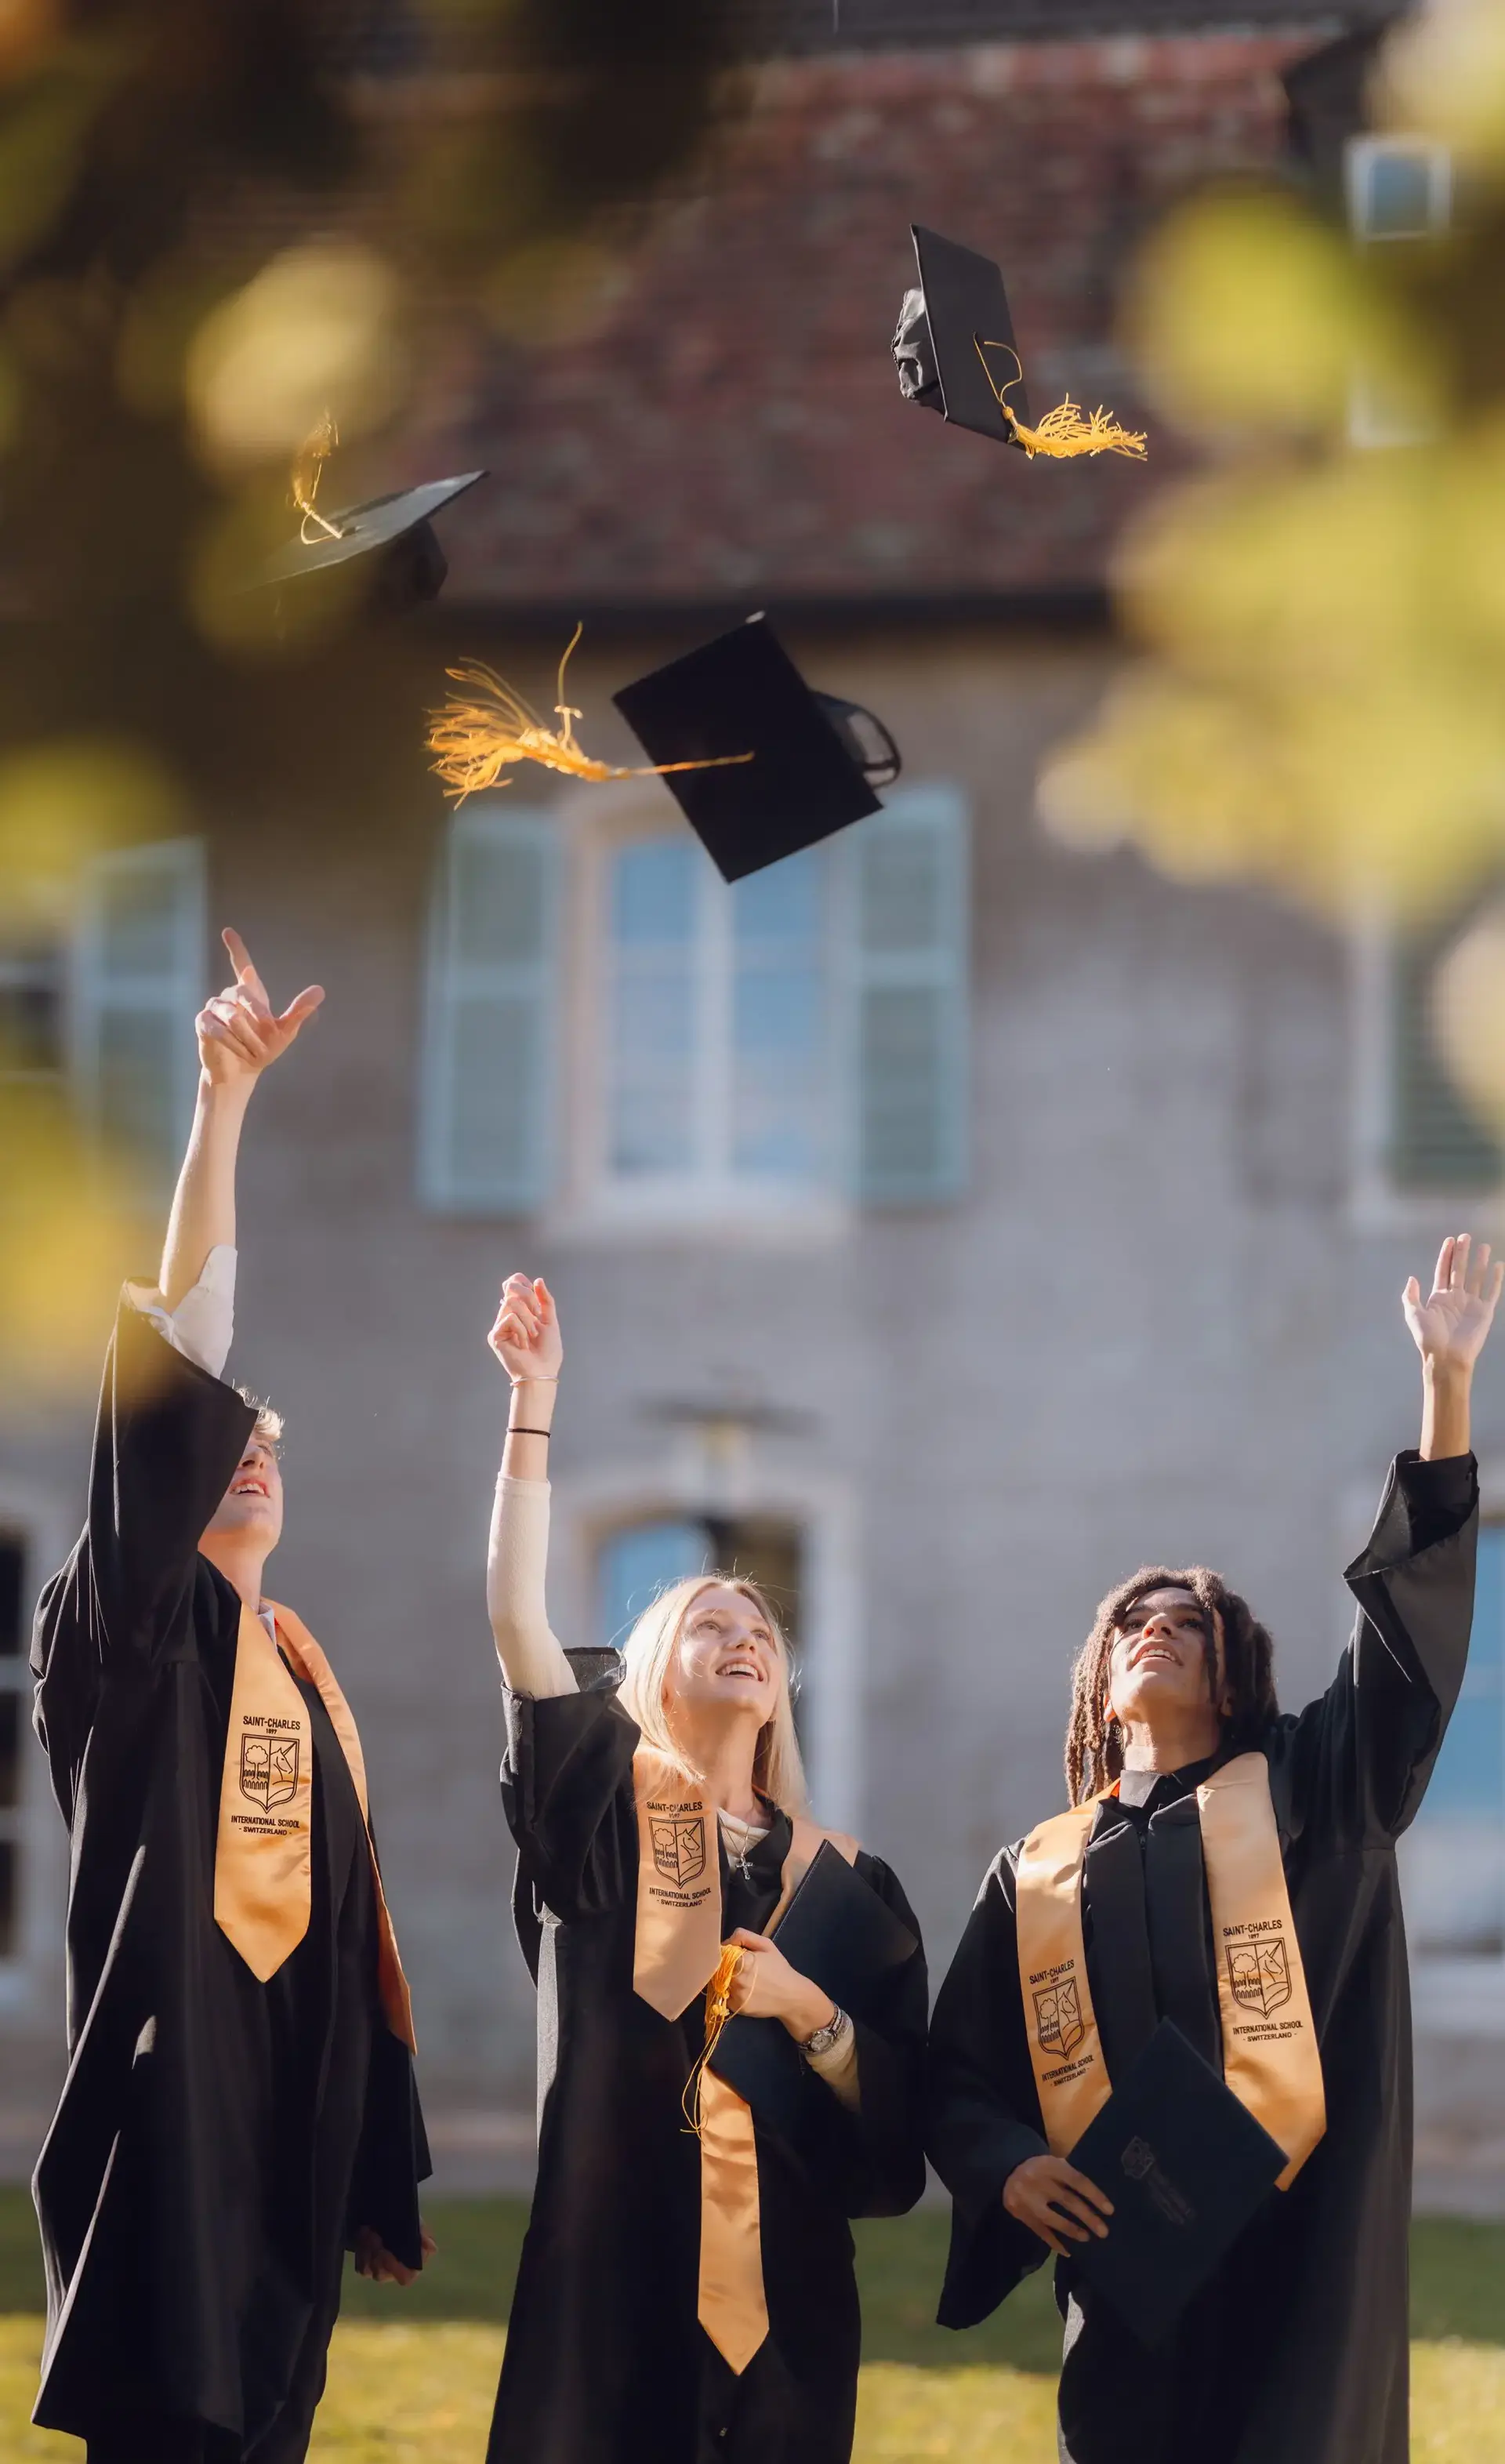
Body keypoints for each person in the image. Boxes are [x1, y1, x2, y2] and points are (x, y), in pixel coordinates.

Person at [927, 1233, 1501, 2464]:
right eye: (1134, 1620)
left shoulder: (1307, 1783)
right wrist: (1013, 2166)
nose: (1159, 1629)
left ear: (1236, 1663)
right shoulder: (1037, 1872)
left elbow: (1402, 1655)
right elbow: (955, 2075)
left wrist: (1446, 1393)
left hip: (1295, 2257)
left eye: (1191, 1619)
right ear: (1098, 1677)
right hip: (1128, 2271)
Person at [30, 930, 432, 2463]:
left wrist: (372, 2153)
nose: (251, 1441)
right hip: (165, 2110)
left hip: (283, 2129)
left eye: (274, 1435)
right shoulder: (127, 1626)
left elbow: (350, 1934)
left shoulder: (306, 1670)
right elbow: (187, 1357)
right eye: (225, 1434)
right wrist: (226, 1109)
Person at [482, 1271, 928, 2464]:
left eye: (762, 1631)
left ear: (783, 1683)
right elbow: (520, 1628)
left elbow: (896, 2139)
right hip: (622, 2273)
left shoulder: (850, 1889)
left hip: (787, 2301)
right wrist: (536, 1405)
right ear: (652, 1673)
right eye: (708, 1625)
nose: (742, 1639)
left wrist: (815, 2013)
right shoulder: (604, 1820)